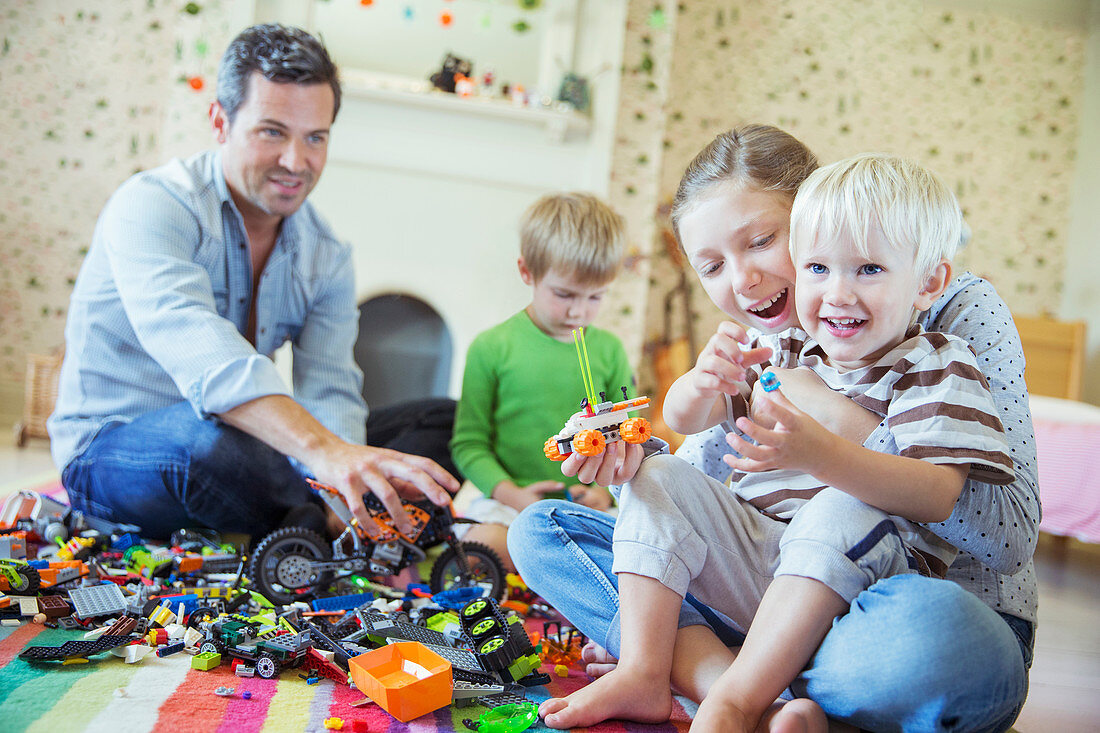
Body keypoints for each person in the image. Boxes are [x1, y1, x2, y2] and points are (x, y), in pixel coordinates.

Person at [509, 126, 1038, 732]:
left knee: (937, 641)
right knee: (544, 530)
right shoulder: (773, 343)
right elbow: (694, 473)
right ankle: (721, 690)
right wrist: (633, 458)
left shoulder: (943, 335)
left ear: (813, 215)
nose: (742, 282)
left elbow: (1008, 538)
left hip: (885, 609)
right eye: (711, 265)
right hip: (762, 579)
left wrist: (822, 425)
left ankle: (725, 676)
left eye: (762, 241)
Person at [48, 24, 458, 542]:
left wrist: (344, 477)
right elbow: (206, 358)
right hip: (119, 451)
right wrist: (323, 453)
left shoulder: (326, 254)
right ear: (220, 121)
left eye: (316, 138)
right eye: (272, 132)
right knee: (205, 445)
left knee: (441, 419)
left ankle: (328, 516)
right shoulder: (152, 204)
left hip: (248, 449)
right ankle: (316, 530)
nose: (296, 162)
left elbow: (329, 386)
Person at [449, 192, 634, 570]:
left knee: (641, 553)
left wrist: (606, 494)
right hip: (509, 503)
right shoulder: (492, 347)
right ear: (526, 272)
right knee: (481, 551)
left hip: (587, 506)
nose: (578, 310)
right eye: (564, 294)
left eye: (595, 296)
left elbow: (625, 437)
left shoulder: (610, 349)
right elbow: (469, 444)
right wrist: (515, 496)